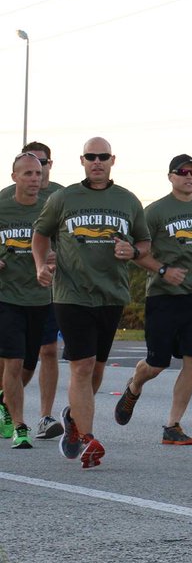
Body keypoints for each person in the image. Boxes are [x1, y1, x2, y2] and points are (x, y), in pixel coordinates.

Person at [32, 137, 151, 469]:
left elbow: (144, 241)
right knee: (82, 367)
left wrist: (135, 252)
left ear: (112, 160)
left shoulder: (127, 200)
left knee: (96, 369)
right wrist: (41, 265)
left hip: (111, 295)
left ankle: (73, 415)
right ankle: (87, 439)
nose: (96, 161)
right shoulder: (64, 198)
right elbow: (40, 234)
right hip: (71, 294)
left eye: (102, 156)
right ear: (82, 161)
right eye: (90, 156)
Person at [113, 155, 192, 445]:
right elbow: (137, 251)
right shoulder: (156, 211)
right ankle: (135, 385)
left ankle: (172, 425)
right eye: (183, 172)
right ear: (171, 176)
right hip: (163, 296)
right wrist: (163, 270)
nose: (189, 177)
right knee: (156, 365)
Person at [0, 141, 65, 441]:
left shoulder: (54, 205)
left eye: (39, 172)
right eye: (27, 173)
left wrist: (56, 256)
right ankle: (19, 426)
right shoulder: (2, 204)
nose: (35, 178)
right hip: (7, 295)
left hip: (44, 295)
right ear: (14, 176)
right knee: (12, 361)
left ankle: (15, 406)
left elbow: (70, 244)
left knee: (32, 361)